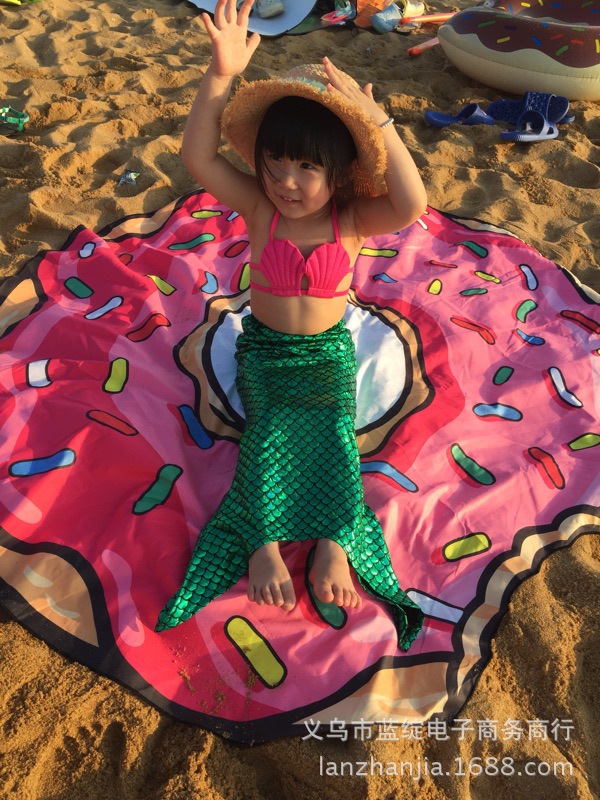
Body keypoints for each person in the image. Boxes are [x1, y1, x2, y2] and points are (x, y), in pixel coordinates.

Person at [155, 0, 426, 650]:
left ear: (339, 173)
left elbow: (412, 202)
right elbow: (198, 156)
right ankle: (264, 543)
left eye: (306, 167)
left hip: (328, 354)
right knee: (269, 432)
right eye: (275, 162)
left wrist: (379, 121)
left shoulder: (352, 219)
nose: (284, 180)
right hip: (267, 352)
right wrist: (220, 76)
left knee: (335, 433)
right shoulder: (260, 207)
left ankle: (334, 539)